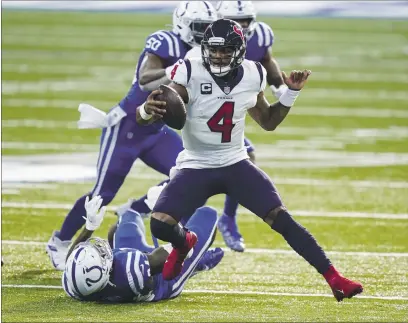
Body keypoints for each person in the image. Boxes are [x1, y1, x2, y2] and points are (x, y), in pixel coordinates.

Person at [138, 19, 363, 302]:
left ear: (240, 51)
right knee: (160, 224)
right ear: (205, 48)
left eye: (226, 50)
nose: (219, 56)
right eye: (214, 50)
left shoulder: (252, 74)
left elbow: (268, 122)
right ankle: (184, 244)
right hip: (196, 164)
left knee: (282, 219)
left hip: (235, 162)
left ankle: (335, 279)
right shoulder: (189, 70)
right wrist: (149, 110)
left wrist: (291, 93)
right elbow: (165, 102)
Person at [46, 1, 218, 270]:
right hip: (126, 128)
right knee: (102, 195)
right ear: (183, 25)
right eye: (201, 28)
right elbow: (146, 79)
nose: (206, 34)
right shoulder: (167, 43)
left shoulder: (206, 55)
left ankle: (139, 214)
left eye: (210, 28)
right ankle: (60, 241)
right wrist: (181, 68)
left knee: (192, 179)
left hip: (156, 131)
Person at [183, 1, 287, 252]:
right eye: (234, 20)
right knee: (187, 177)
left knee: (242, 158)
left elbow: (267, 60)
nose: (241, 26)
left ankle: (226, 219)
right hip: (203, 112)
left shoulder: (260, 35)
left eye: (246, 21)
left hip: (235, 104)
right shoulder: (205, 43)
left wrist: (281, 89)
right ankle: (161, 218)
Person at [62, 189, 224, 303]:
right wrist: (166, 214)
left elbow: (71, 260)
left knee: (128, 216)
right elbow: (182, 248)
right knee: (207, 215)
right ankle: (197, 265)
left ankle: (195, 262)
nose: (102, 249)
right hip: (164, 279)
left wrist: (89, 227)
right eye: (101, 255)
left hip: (139, 264)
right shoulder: (130, 270)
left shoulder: (78, 287)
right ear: (105, 271)